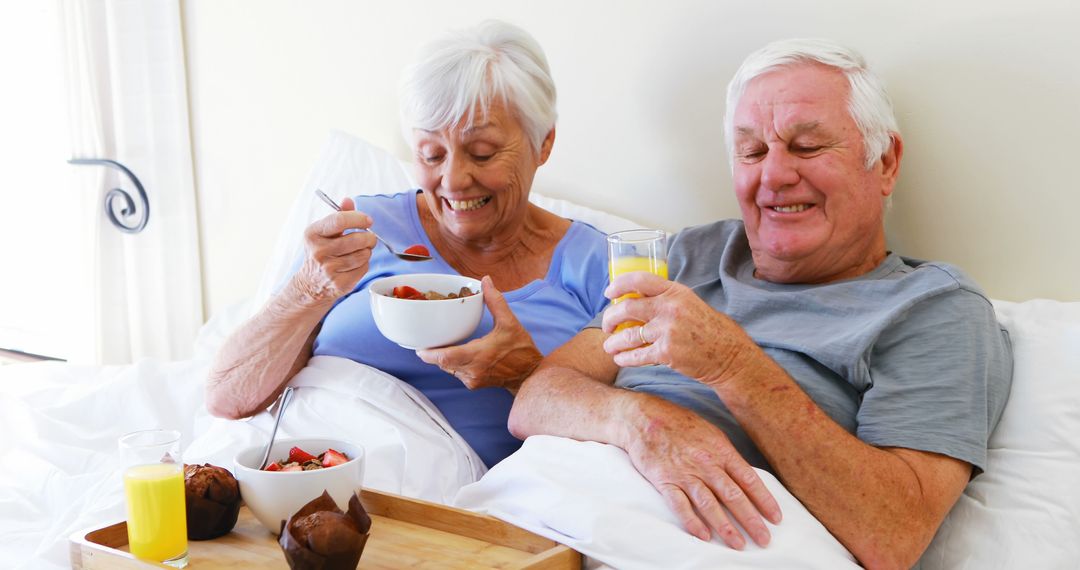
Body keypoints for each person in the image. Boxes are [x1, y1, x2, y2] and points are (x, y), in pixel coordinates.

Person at [508, 38, 1012, 569]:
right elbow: (537, 400)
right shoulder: (690, 255)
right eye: (752, 152)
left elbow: (894, 533)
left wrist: (733, 365)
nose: (773, 176)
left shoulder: (934, 309)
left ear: (884, 162)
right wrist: (639, 422)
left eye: (808, 147)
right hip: (525, 521)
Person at [205, 20, 609, 469]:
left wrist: (527, 375)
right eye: (431, 154)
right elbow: (228, 399)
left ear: (544, 142)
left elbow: (626, 428)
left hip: (437, 511)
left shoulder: (599, 265)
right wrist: (308, 289)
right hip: (294, 470)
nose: (453, 180)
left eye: (482, 152)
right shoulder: (363, 235)